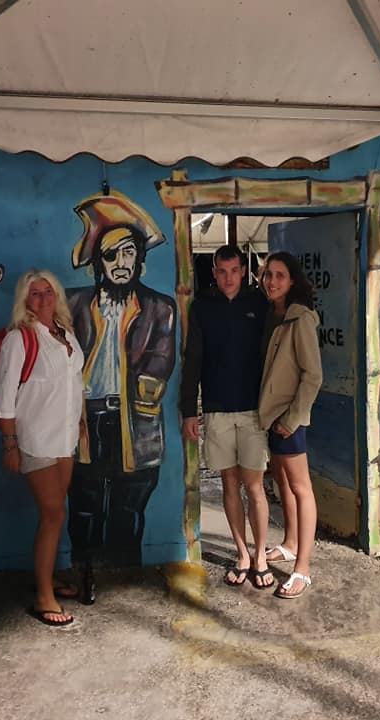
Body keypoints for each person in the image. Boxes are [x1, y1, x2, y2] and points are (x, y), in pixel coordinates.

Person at [67, 191, 176, 569]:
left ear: (140, 259)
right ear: (98, 263)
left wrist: (139, 392)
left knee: (129, 508)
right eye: (110, 255)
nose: (120, 263)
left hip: (134, 424)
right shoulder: (73, 304)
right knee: (84, 506)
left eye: (128, 252)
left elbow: (160, 362)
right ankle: (85, 574)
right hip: (84, 421)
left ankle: (125, 578)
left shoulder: (160, 308)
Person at [0, 269, 85, 626]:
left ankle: (47, 577)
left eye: (48, 291)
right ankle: (44, 597)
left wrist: (81, 423)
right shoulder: (19, 339)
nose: (43, 298)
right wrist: (10, 445)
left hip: (65, 438)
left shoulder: (65, 333)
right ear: (25, 300)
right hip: (36, 439)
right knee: (53, 514)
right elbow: (4, 398)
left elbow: (74, 383)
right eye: (35, 293)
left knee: (55, 513)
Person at [180, 246, 273, 589]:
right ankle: (242, 554)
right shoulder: (202, 306)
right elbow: (193, 360)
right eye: (222, 271)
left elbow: (273, 356)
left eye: (234, 271)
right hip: (216, 410)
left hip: (253, 410)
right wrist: (189, 411)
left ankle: (261, 556)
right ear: (214, 272)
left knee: (255, 486)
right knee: (229, 484)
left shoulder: (259, 303)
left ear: (243, 271)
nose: (228, 278)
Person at [258, 251, 323, 599]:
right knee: (282, 482)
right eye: (269, 274)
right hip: (271, 416)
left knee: (301, 488)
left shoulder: (301, 318)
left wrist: (293, 418)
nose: (272, 281)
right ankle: (291, 543)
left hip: (288, 418)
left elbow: (313, 375)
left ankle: (303, 570)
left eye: (280, 275)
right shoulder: (272, 314)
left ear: (292, 280)